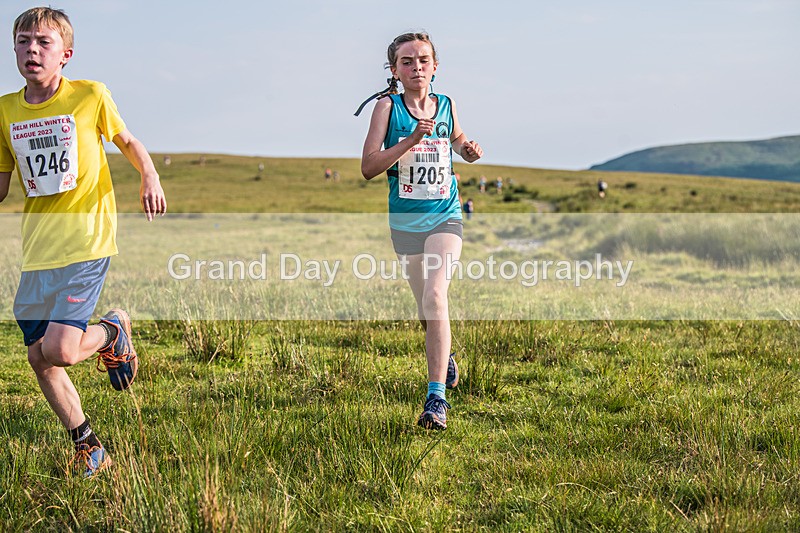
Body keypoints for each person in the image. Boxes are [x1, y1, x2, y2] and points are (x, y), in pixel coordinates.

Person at [0, 8, 167, 477]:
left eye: (43, 43)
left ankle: (113, 331)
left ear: (65, 55)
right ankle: (89, 446)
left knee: (63, 350)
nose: (32, 50)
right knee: (39, 356)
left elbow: (128, 141)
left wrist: (149, 176)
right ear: (13, 49)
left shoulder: (90, 96)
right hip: (38, 250)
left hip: (88, 240)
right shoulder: (4, 111)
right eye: (23, 41)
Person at [361, 32, 483, 430]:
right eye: (407, 61)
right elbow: (369, 166)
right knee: (425, 308)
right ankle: (444, 357)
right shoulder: (387, 108)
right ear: (394, 70)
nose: (417, 68)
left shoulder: (446, 105)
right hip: (405, 222)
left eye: (423, 60)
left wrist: (467, 149)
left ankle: (436, 400)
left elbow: (458, 139)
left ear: (435, 66)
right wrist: (410, 140)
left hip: (444, 214)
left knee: (435, 294)